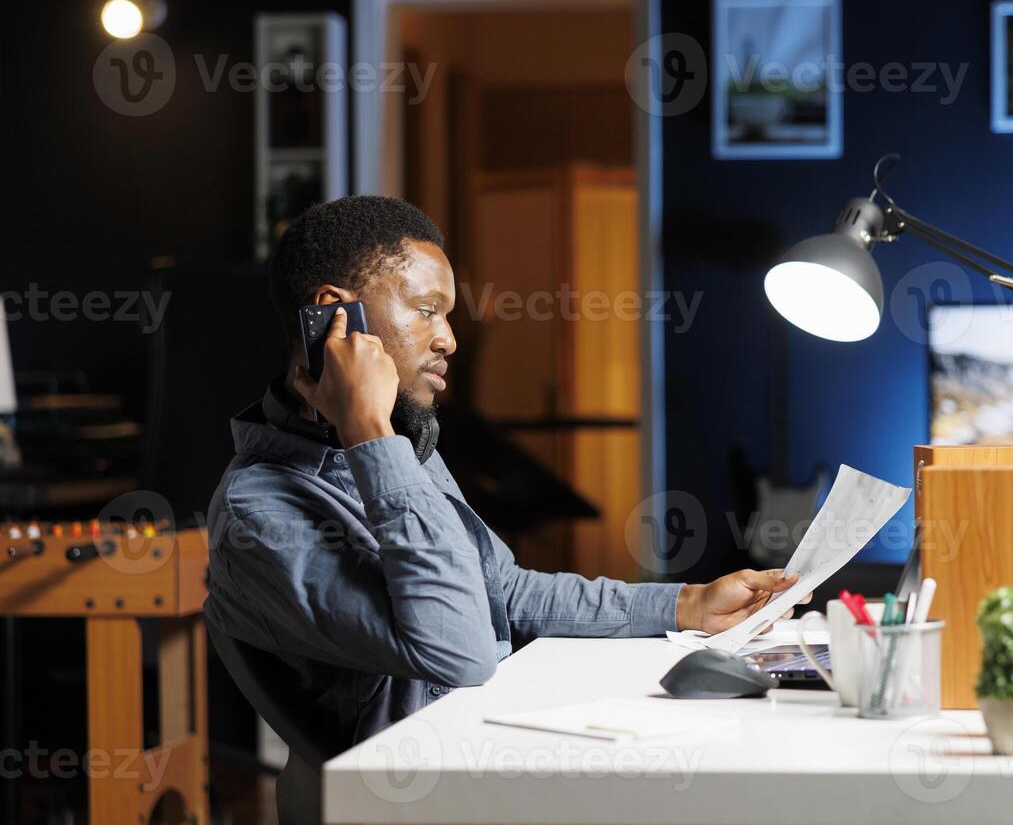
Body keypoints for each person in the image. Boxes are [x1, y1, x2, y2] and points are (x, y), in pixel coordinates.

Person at [203, 196, 800, 821]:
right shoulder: (260, 512)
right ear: (335, 315)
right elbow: (459, 650)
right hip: (415, 803)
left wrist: (686, 604)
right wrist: (371, 435)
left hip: (481, 765)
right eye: (427, 310)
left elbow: (503, 590)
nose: (450, 339)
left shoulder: (396, 449)